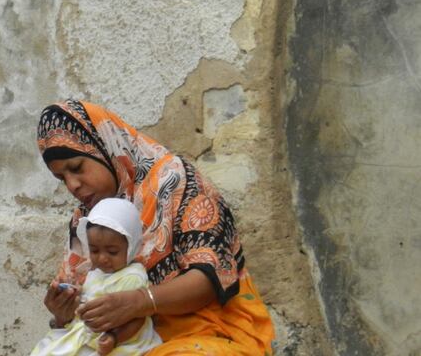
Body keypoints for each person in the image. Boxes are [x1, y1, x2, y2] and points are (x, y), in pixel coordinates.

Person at [36, 99, 275, 355]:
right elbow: (84, 306)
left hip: (211, 333)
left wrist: (141, 301)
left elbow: (210, 278)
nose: (72, 185)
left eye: (76, 168)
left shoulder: (174, 182)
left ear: (104, 147)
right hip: (128, 345)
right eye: (62, 178)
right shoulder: (87, 221)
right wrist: (63, 316)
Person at [30, 198, 162, 356]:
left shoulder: (132, 277)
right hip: (89, 335)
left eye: (112, 252)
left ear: (131, 246)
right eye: (94, 251)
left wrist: (114, 337)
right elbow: (93, 294)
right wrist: (75, 294)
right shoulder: (96, 272)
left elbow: (138, 318)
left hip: (119, 341)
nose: (102, 258)